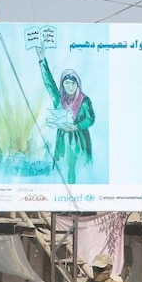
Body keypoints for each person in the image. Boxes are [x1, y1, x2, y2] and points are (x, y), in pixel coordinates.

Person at [36, 46, 95, 184]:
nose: (70, 86)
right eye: (66, 83)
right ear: (62, 84)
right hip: (63, 142)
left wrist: (76, 127)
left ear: (77, 84)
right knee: (62, 173)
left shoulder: (84, 100)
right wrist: (42, 60)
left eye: (73, 83)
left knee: (80, 173)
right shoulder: (59, 99)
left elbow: (90, 119)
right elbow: (49, 83)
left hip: (80, 140)